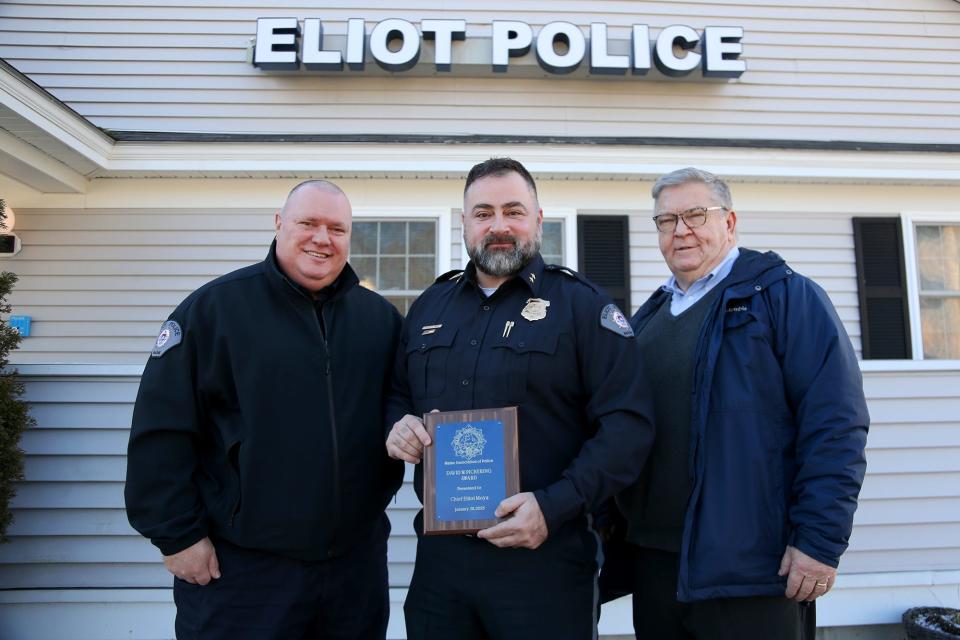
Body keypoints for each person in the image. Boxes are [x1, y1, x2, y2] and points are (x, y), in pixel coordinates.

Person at [385, 157, 655, 640]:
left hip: (545, 559)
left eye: (514, 211)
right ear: (465, 223)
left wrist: (553, 506)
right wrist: (397, 424)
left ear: (538, 219)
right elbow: (398, 394)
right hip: (441, 568)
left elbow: (628, 427)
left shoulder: (583, 307)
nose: (499, 225)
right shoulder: (430, 306)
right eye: (484, 213)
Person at [125, 180, 404, 640]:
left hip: (355, 567)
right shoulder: (214, 311)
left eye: (337, 228)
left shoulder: (380, 321)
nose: (322, 238)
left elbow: (401, 406)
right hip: (242, 569)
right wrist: (177, 537)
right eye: (308, 223)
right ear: (279, 224)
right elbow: (161, 430)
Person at [616, 167, 869, 639]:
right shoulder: (648, 317)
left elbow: (836, 424)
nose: (681, 230)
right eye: (667, 220)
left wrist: (818, 541)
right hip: (657, 564)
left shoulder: (784, 298)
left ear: (729, 223)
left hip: (750, 566)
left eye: (695, 215)